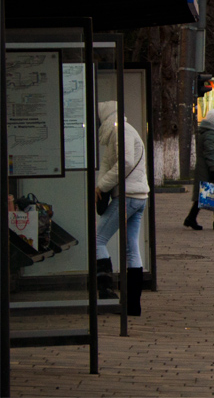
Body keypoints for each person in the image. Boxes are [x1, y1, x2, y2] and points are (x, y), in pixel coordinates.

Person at [95, 102, 149, 316]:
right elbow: (111, 163)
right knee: (131, 249)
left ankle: (107, 295)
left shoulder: (121, 131)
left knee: (98, 241)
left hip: (127, 197)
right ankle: (133, 306)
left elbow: (124, 162)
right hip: (138, 197)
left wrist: (102, 186)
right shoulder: (123, 131)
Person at [184, 108, 214, 231]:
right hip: (210, 168)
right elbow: (210, 153)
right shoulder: (211, 134)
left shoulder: (211, 132)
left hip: (210, 168)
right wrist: (213, 168)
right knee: (208, 194)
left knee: (212, 193)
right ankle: (194, 219)